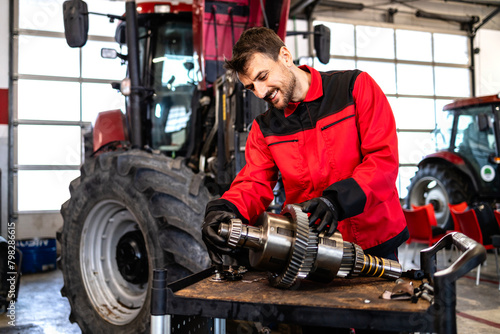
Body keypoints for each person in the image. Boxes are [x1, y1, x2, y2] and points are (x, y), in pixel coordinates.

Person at [202, 27, 409, 267]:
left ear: (285, 57)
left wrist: (336, 201)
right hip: (313, 249)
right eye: (250, 87)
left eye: (262, 76)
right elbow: (253, 183)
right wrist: (225, 210)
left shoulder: (354, 88)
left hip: (376, 245)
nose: (260, 93)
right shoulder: (264, 128)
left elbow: (382, 161)